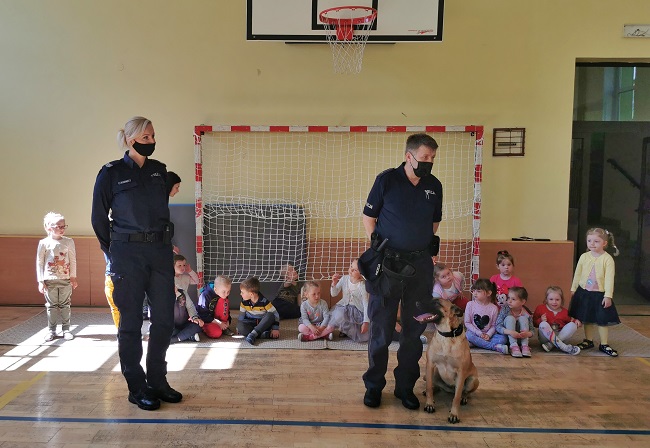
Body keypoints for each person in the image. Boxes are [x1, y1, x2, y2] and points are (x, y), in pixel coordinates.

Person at [91, 116, 181, 411]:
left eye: (153, 135)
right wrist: (113, 253)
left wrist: (175, 180)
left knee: (164, 319)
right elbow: (98, 218)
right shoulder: (111, 174)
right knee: (130, 322)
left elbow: (169, 180)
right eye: (145, 136)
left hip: (159, 252)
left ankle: (158, 380)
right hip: (126, 255)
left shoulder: (159, 171)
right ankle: (137, 386)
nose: (151, 141)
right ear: (130, 139)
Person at [359, 133, 442, 410]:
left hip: (420, 268)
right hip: (388, 267)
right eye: (425, 157)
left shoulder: (434, 186)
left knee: (414, 329)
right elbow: (369, 217)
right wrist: (379, 248)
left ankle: (405, 387)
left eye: (432, 157)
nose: (429, 162)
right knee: (381, 329)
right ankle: (373, 387)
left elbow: (434, 223)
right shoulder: (386, 180)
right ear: (409, 156)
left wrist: (416, 246)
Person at [569, 228, 621, 357]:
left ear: (604, 243)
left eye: (596, 241)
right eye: (589, 240)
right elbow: (578, 273)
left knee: (602, 319)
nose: (592, 244)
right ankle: (588, 340)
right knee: (587, 318)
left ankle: (604, 343)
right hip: (585, 293)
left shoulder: (607, 259)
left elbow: (609, 278)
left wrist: (608, 296)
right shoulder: (584, 256)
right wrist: (574, 288)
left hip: (600, 295)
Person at [36, 212, 78, 341]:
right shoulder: (43, 243)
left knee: (65, 304)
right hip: (49, 280)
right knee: (52, 305)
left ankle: (66, 329)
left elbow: (73, 259)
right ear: (49, 227)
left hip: (65, 279)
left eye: (63, 226)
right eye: (58, 226)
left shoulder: (69, 241)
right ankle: (51, 330)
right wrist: (40, 280)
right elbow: (39, 261)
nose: (61, 229)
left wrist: (73, 277)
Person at [329, 259, 370, 343]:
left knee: (364, 336)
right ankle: (343, 330)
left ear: (361, 273)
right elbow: (334, 293)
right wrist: (334, 283)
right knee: (338, 315)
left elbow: (366, 305)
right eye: (351, 266)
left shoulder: (362, 285)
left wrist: (366, 322)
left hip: (357, 311)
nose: (351, 270)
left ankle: (348, 332)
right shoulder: (344, 279)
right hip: (344, 307)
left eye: (355, 270)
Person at [464, 279, 508, 354]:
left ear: (488, 293)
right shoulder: (470, 304)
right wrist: (479, 333)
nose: (475, 293)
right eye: (474, 290)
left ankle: (477, 343)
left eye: (478, 291)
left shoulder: (494, 308)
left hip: (488, 335)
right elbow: (467, 323)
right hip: (474, 333)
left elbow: (494, 325)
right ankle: (494, 347)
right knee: (469, 335)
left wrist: (488, 334)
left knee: (503, 339)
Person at [533, 286, 581, 355]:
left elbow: (570, 324)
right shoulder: (540, 308)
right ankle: (565, 348)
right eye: (551, 299)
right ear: (546, 299)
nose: (554, 302)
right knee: (543, 324)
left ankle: (551, 344)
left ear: (562, 300)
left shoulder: (565, 312)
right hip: (546, 338)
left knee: (573, 325)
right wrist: (540, 320)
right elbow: (534, 323)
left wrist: (576, 321)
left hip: (561, 337)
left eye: (557, 299)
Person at [237, 276, 280, 345]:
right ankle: (262, 335)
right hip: (250, 323)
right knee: (240, 325)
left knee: (270, 315)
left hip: (262, 324)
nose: (240, 294)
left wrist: (275, 328)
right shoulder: (244, 302)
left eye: (242, 292)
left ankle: (253, 334)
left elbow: (275, 314)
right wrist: (239, 328)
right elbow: (241, 315)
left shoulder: (264, 302)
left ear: (251, 294)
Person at [495, 286, 534, 358]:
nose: (509, 301)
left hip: (521, 337)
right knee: (510, 318)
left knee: (523, 318)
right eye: (508, 298)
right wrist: (510, 332)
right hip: (507, 338)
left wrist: (527, 334)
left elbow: (532, 331)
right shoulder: (505, 309)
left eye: (513, 299)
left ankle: (525, 346)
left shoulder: (526, 313)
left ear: (523, 301)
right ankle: (513, 346)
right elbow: (497, 326)